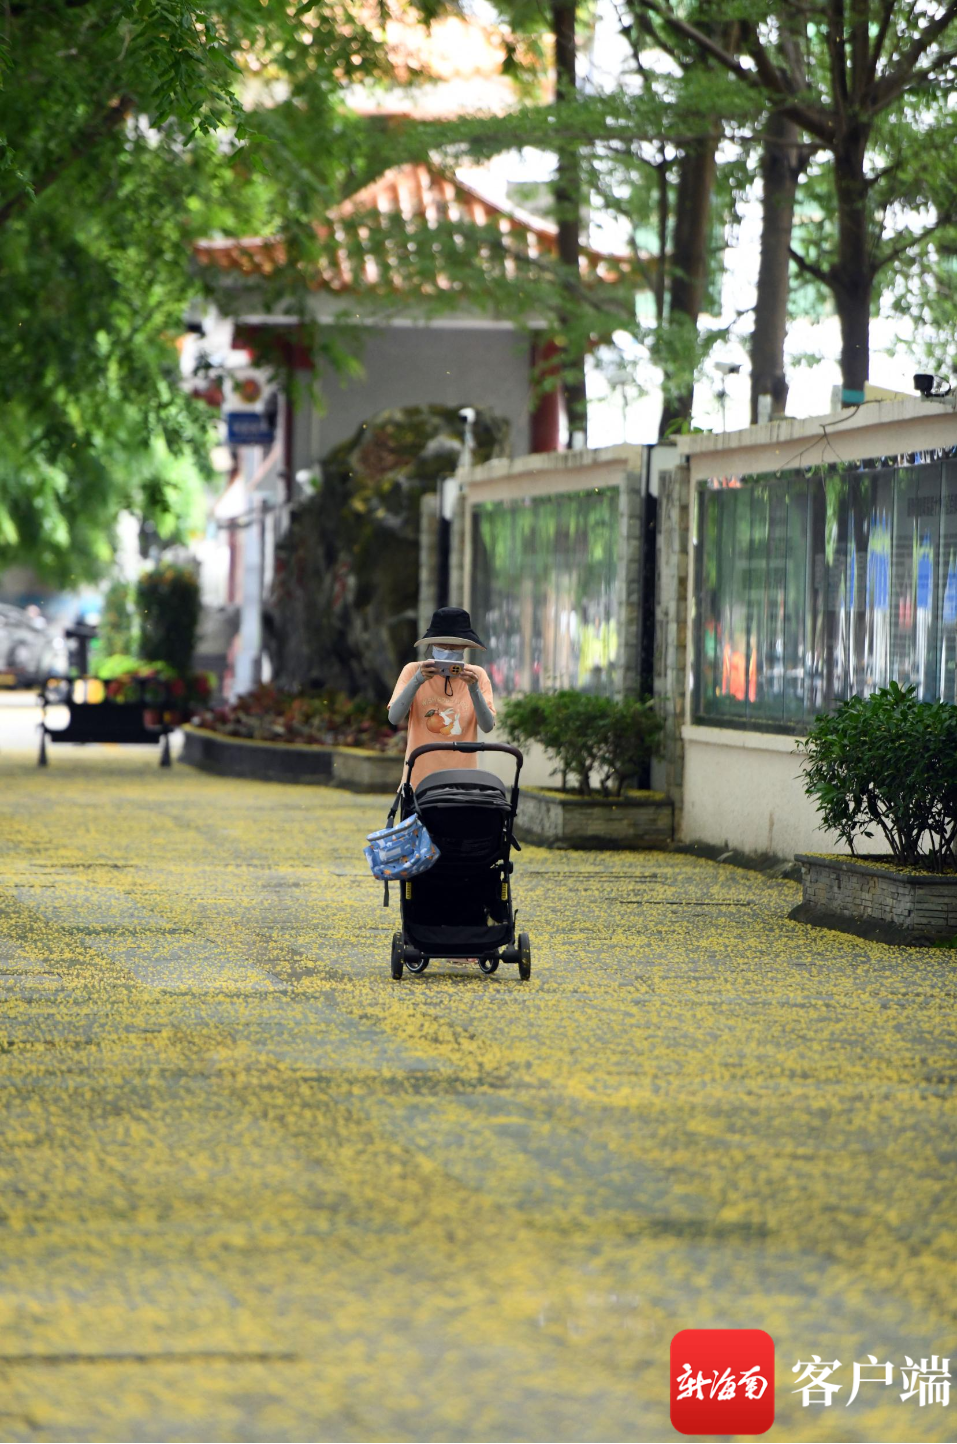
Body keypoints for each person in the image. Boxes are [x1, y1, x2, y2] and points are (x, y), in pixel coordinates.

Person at [389, 607, 495, 788]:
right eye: (441, 645)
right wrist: (418, 680)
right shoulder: (413, 671)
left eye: (454, 647)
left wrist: (474, 689)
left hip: (462, 783)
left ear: (464, 647)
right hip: (418, 782)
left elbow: (487, 726)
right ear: (432, 645)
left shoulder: (476, 675)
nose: (447, 650)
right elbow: (394, 718)